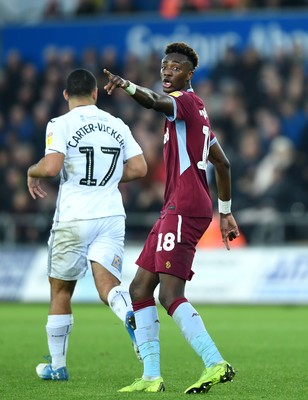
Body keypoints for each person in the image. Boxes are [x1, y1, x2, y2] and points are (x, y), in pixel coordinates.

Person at [103, 42, 240, 394]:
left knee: (170, 294)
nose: (167, 71)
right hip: (176, 207)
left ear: (189, 73)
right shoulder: (199, 112)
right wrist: (224, 212)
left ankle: (215, 363)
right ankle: (151, 376)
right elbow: (222, 163)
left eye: (175, 67)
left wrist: (127, 85)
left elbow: (153, 102)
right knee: (139, 289)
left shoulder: (184, 103)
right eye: (164, 66)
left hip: (184, 205)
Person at [27, 68, 147, 381]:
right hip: (110, 215)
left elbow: (51, 167)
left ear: (66, 95)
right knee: (107, 285)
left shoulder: (60, 124)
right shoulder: (116, 124)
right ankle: (129, 313)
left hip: (74, 217)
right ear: (95, 93)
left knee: (61, 291)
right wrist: (107, 178)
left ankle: (58, 366)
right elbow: (140, 167)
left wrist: (32, 170)